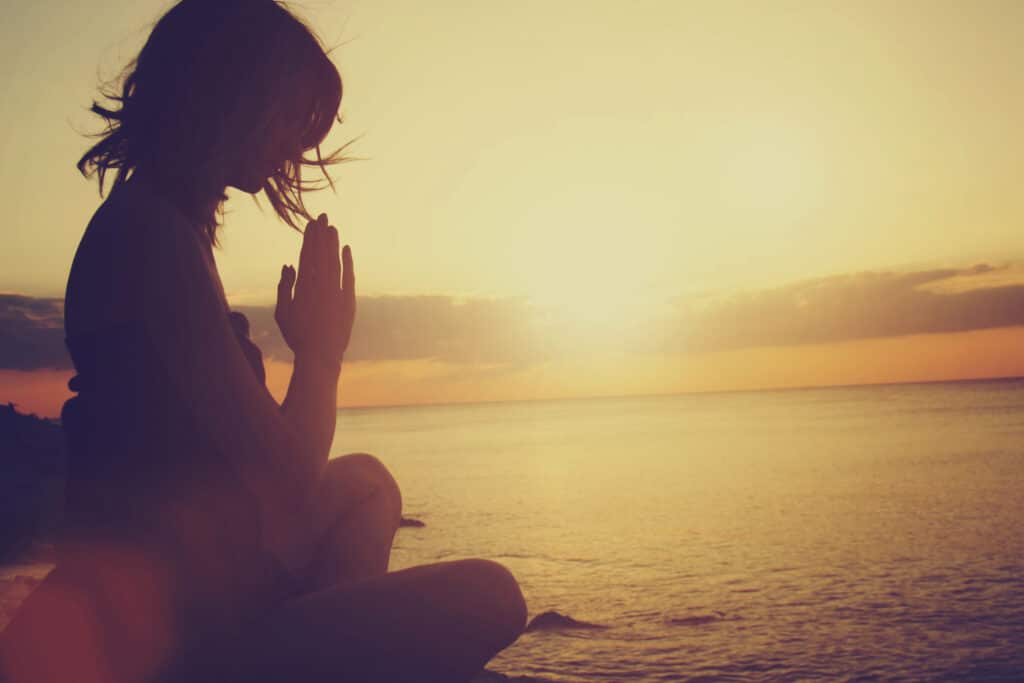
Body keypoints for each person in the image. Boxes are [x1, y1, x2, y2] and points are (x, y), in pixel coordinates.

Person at [0, 2, 527, 682]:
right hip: (174, 633)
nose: (296, 142)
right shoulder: (151, 237)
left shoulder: (164, 225)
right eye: (288, 112)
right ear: (228, 93)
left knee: (367, 483)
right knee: (492, 594)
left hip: (203, 581)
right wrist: (320, 354)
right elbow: (286, 481)